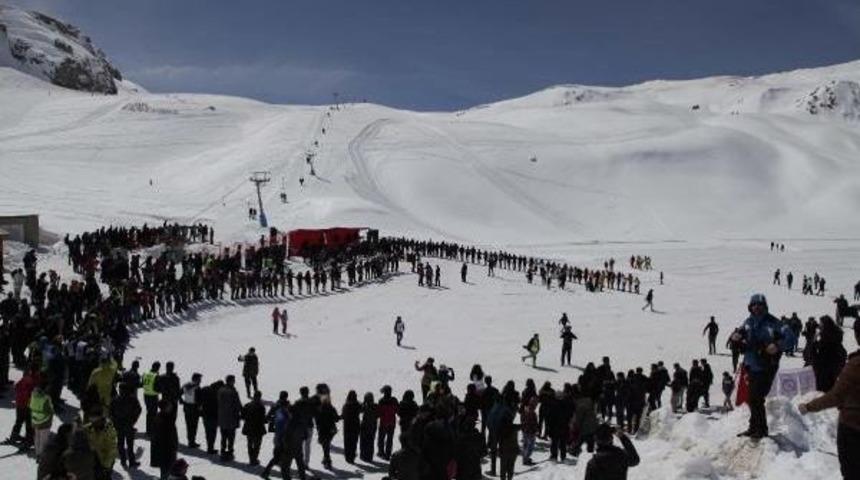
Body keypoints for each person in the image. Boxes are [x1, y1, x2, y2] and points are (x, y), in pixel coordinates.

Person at [799, 319, 860, 480]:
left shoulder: (855, 364)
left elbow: (836, 396)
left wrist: (809, 407)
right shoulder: (840, 348)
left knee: (852, 472)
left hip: (852, 426)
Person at [731, 293, 791, 439]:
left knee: (756, 397)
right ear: (750, 307)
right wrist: (736, 336)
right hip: (751, 365)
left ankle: (761, 430)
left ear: (765, 307)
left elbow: (791, 338)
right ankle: (754, 428)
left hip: (766, 366)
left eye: (760, 305)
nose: (757, 308)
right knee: (753, 398)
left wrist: (777, 345)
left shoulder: (773, 322)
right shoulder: (749, 321)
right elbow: (740, 332)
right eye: (754, 305)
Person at [112, 381, 142, 468]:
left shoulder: (115, 399)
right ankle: (131, 462)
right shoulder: (132, 399)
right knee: (130, 445)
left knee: (120, 444)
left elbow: (111, 412)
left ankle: (123, 461)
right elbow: (139, 409)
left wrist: (115, 422)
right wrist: (133, 420)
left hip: (119, 425)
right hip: (129, 425)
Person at [151, 400, 179, 480]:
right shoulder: (166, 419)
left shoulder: (159, 417)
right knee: (167, 471)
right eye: (169, 405)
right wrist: (174, 447)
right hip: (167, 450)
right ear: (165, 407)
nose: (171, 407)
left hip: (163, 450)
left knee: (165, 471)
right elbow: (170, 436)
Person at [218, 375, 242, 461]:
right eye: (233, 380)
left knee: (223, 437)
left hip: (222, 418)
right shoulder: (233, 392)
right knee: (231, 438)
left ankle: (223, 452)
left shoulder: (220, 390)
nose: (234, 382)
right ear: (230, 381)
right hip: (231, 419)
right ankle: (230, 453)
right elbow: (237, 405)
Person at [241, 390, 266, 465]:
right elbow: (263, 419)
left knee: (250, 444)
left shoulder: (247, 405)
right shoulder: (261, 407)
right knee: (257, 445)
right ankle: (254, 459)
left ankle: (251, 458)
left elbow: (243, 416)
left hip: (249, 428)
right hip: (258, 429)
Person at [29, 381, 54, 457]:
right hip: (45, 421)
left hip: (35, 419)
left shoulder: (33, 394)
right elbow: (50, 409)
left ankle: (37, 453)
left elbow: (30, 405)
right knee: (44, 439)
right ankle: (42, 455)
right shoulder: (46, 397)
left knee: (37, 436)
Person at [180, 372, 202, 448]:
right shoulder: (197, 387)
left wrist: (182, 401)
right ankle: (192, 441)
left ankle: (190, 441)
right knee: (194, 425)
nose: (200, 381)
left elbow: (179, 393)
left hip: (186, 407)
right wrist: (200, 408)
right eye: (199, 379)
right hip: (194, 408)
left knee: (188, 425)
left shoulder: (186, 385)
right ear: (196, 379)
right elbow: (199, 400)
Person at [377, 385, 399, 460]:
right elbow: (397, 410)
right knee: (390, 439)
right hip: (392, 422)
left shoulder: (381, 401)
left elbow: (379, 412)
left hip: (383, 422)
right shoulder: (394, 400)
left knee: (381, 438)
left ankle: (381, 452)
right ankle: (388, 453)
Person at [341, 390, 361, 464]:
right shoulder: (358, 405)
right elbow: (362, 409)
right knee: (354, 442)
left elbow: (343, 415)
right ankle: (352, 457)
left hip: (347, 426)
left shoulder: (346, 405)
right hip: (355, 426)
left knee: (347, 442)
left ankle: (348, 457)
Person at [143, 361, 161, 436]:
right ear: (157, 368)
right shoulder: (156, 375)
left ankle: (148, 430)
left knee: (149, 413)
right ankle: (152, 430)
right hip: (153, 396)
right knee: (153, 413)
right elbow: (158, 387)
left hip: (146, 395)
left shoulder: (145, 373)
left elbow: (142, 383)